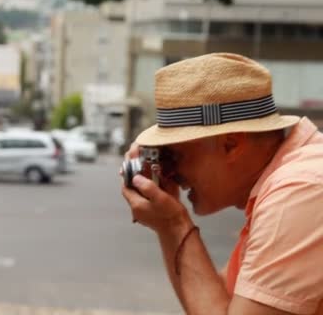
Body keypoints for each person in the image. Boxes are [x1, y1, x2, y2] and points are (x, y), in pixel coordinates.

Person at [121, 53, 323, 314]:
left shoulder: (301, 190)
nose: (171, 173)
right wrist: (168, 224)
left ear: (231, 144)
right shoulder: (284, 181)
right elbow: (217, 303)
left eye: (175, 155)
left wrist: (173, 225)